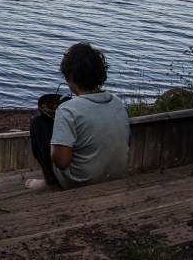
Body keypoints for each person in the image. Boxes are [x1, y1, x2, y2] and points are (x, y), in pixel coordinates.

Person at [26, 42, 130, 190]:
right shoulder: (119, 103)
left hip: (80, 182)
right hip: (115, 176)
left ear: (71, 77)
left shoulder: (67, 110)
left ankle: (48, 182)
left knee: (38, 124)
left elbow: (61, 161)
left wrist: (54, 141)